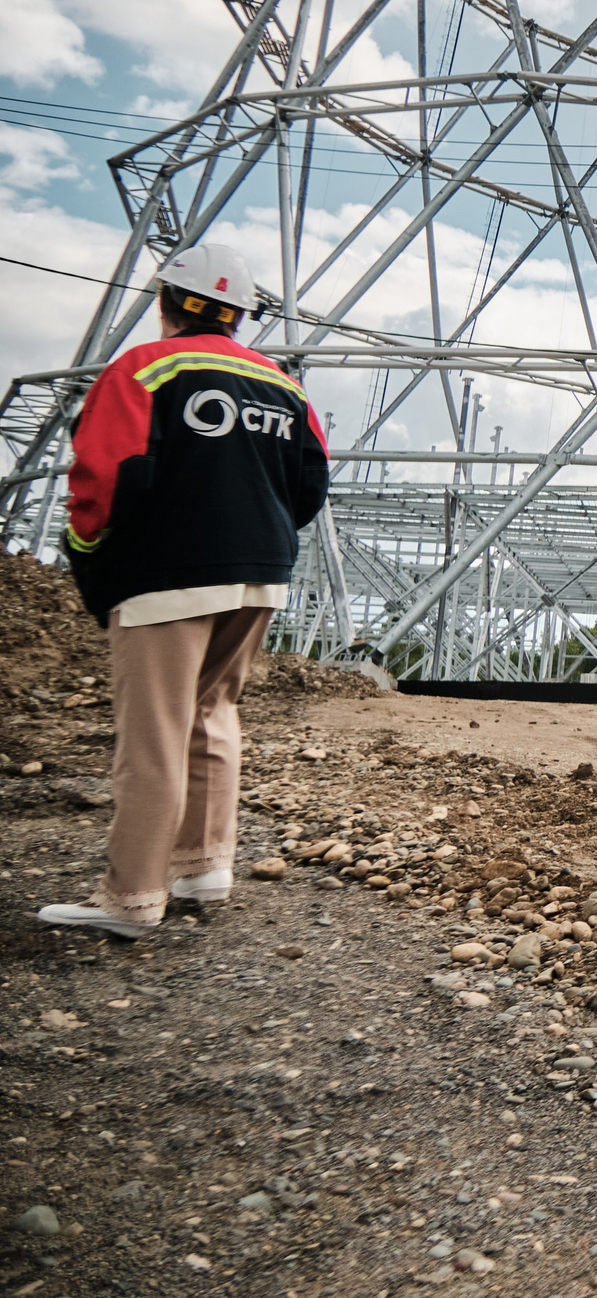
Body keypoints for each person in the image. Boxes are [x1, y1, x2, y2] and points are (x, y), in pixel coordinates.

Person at [43, 243, 329, 939]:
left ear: (166, 301)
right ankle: (205, 864)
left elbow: (102, 478)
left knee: (155, 733)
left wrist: (88, 557)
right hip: (260, 575)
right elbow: (311, 483)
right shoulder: (284, 387)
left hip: (167, 575)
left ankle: (133, 896)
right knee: (212, 713)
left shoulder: (145, 367)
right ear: (239, 315)